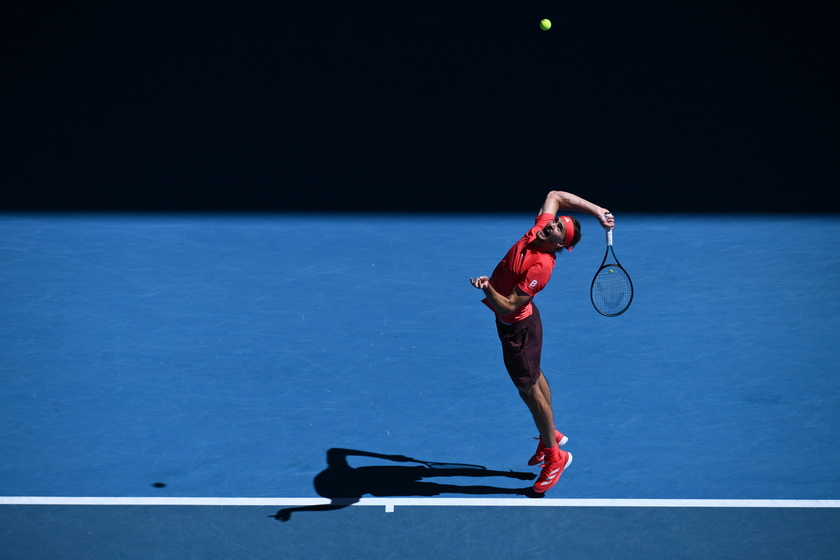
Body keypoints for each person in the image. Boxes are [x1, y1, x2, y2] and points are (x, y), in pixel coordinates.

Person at [470, 190, 614, 494]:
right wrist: (598, 210)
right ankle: (551, 434)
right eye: (556, 222)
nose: (552, 225)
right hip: (526, 323)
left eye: (559, 229)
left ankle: (554, 457)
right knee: (533, 379)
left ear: (560, 244)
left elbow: (508, 305)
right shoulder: (540, 228)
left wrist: (487, 289)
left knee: (528, 390)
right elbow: (555, 195)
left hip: (518, 330)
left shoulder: (542, 266)